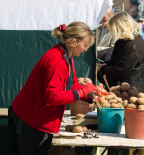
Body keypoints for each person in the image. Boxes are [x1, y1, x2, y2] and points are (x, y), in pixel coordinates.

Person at [8, 22, 97, 155]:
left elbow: (70, 84)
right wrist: (83, 91)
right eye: (84, 45)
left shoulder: (67, 56)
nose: (85, 49)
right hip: (30, 121)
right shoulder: (57, 61)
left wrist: (89, 96)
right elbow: (53, 96)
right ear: (73, 42)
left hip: (35, 118)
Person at [98, 12, 144, 95]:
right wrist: (103, 65)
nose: (113, 32)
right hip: (126, 88)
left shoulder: (132, 44)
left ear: (120, 27)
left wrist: (101, 70)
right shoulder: (125, 40)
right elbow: (116, 60)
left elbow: (120, 69)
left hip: (131, 90)